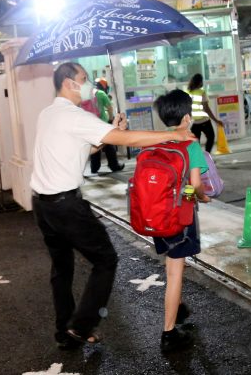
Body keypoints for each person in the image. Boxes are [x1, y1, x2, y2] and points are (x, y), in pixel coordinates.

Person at [31, 62, 195, 350]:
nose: (88, 83)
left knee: (62, 269)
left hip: (43, 206)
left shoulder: (49, 114)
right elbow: (129, 139)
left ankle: (65, 331)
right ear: (69, 83)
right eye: (84, 78)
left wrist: (109, 132)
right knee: (105, 260)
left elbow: (83, 147)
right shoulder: (73, 115)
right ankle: (80, 327)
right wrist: (173, 135)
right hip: (66, 205)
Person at [151, 89, 210, 352]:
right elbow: (195, 184)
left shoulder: (157, 141)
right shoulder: (190, 144)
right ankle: (168, 334)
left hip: (157, 215)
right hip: (179, 217)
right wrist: (203, 197)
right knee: (175, 272)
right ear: (187, 117)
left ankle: (178, 308)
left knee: (171, 267)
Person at [88, 78, 125, 176]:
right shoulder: (101, 94)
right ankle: (114, 165)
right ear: (104, 86)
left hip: (91, 124)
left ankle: (94, 167)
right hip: (102, 123)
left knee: (95, 144)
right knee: (109, 145)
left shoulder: (88, 93)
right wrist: (111, 119)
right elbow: (109, 107)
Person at [186, 73, 224, 153]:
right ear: (200, 82)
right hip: (204, 121)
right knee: (211, 137)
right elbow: (206, 108)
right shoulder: (201, 92)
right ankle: (207, 156)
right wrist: (216, 120)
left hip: (194, 122)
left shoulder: (189, 93)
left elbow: (187, 108)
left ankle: (198, 160)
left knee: (195, 143)